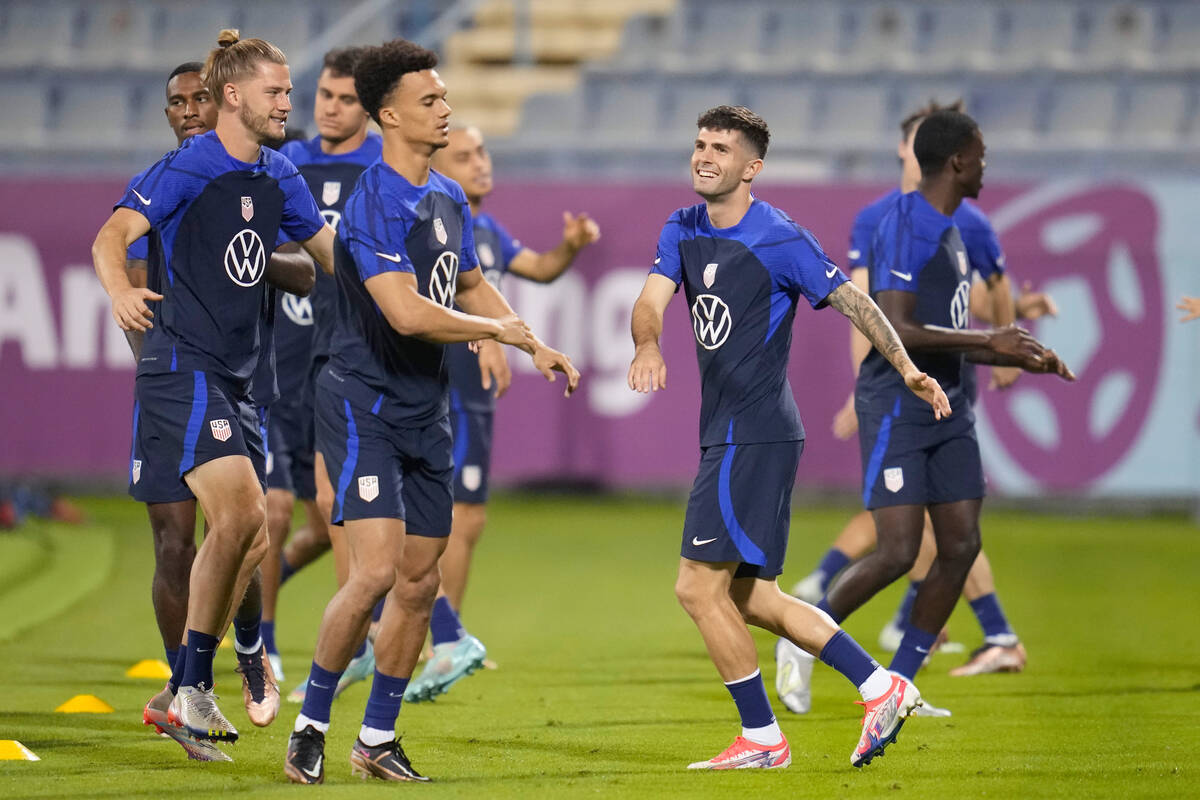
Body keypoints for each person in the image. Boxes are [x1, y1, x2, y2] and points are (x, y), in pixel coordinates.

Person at [283, 39, 579, 785]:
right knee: (375, 573)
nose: (446, 108)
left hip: (425, 410)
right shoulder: (372, 201)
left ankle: (376, 738)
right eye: (431, 100)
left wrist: (531, 341)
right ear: (389, 116)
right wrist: (496, 333)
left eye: (446, 97)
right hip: (361, 404)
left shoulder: (446, 197)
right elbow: (406, 313)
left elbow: (471, 283)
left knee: (421, 582)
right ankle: (311, 725)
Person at [627, 105, 950, 770]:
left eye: (720, 148)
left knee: (696, 588)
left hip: (756, 433)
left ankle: (764, 739)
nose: (704, 156)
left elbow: (857, 304)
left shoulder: (779, 238)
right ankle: (881, 685)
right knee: (750, 597)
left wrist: (909, 369)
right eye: (699, 144)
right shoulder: (681, 226)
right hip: (733, 434)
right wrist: (648, 344)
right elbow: (651, 301)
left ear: (753, 168)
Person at [93, 30, 335, 746]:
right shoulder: (187, 168)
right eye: (278, 91)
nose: (289, 102)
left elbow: (328, 260)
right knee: (228, 519)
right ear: (236, 97)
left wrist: (408, 303)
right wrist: (117, 293)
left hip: (238, 377)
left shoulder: (281, 174)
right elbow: (112, 236)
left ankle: (196, 681)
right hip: (181, 365)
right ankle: (198, 683)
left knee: (250, 532)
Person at [776, 101, 1059, 713]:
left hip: (952, 409)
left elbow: (957, 324)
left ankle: (899, 685)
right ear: (958, 161)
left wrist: (1025, 354)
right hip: (899, 405)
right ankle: (804, 635)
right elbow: (897, 324)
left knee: (959, 545)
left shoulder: (959, 227)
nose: (986, 166)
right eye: (980, 156)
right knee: (899, 549)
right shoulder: (902, 223)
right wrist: (992, 340)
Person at [402, 124, 601, 702]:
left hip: (473, 397)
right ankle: (440, 635)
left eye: (484, 152)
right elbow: (425, 301)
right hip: (443, 389)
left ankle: (444, 635)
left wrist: (571, 248)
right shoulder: (427, 220)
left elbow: (536, 269)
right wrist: (486, 337)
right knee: (441, 520)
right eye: (466, 155)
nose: (481, 163)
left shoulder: (481, 228)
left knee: (466, 521)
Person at [255, 46, 382, 690]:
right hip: (280, 361)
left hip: (342, 357)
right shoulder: (284, 163)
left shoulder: (383, 168)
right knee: (274, 511)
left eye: (346, 100)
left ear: (369, 108)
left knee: (336, 507)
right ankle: (266, 647)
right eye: (324, 97)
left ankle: (354, 640)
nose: (331, 109)